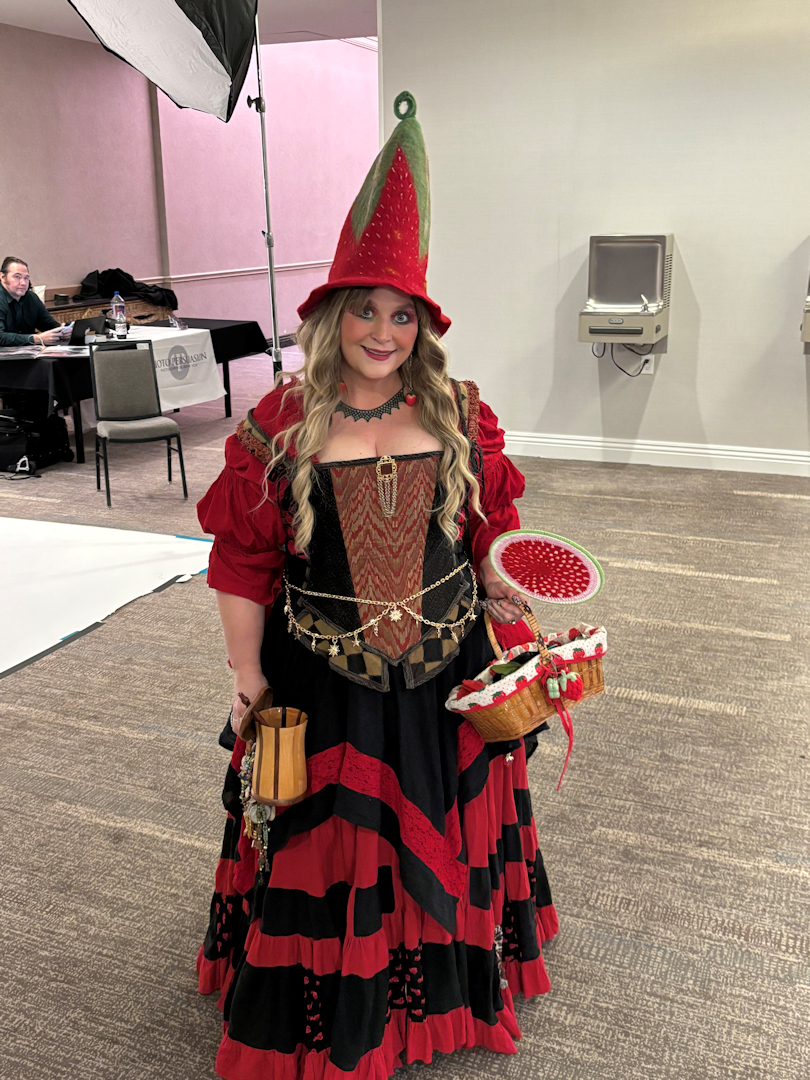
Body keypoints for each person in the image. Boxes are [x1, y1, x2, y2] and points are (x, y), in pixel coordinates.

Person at [196, 92, 558, 1080]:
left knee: (441, 823)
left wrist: (495, 571)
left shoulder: (459, 411)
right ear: (331, 314)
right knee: (333, 841)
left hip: (445, 668)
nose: (383, 331)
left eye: (403, 315)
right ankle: (346, 1011)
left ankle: (442, 986)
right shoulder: (279, 424)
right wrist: (244, 676)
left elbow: (484, 525)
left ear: (422, 327)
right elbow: (242, 562)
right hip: (326, 679)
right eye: (365, 309)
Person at [0, 257, 65, 346]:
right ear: (3, 277)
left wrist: (62, 332)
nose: (23, 283)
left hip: (27, 351)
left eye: (26, 278)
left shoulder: (31, 297)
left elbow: (48, 325)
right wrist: (35, 339)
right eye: (17, 277)